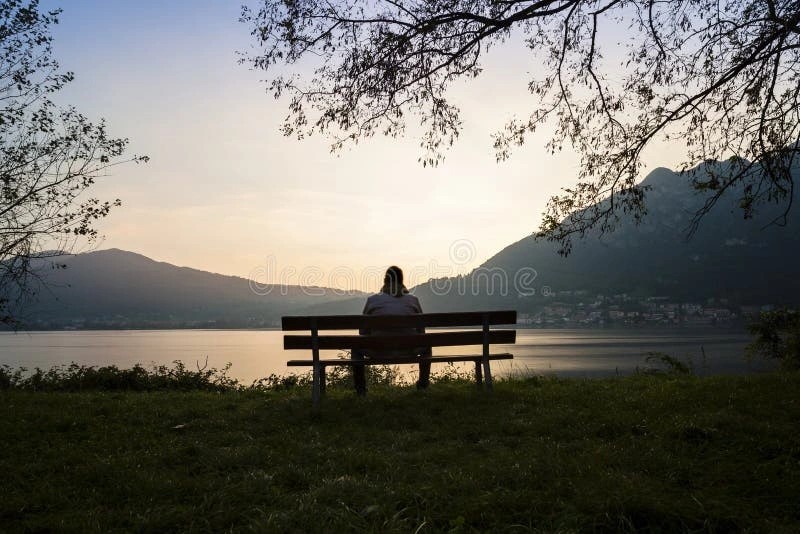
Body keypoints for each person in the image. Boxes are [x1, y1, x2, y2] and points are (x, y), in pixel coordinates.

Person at [353, 265, 431, 395]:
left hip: (378, 351)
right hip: (408, 351)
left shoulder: (373, 300)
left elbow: (362, 332)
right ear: (402, 281)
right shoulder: (413, 300)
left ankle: (361, 390)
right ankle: (423, 385)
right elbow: (421, 333)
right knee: (427, 346)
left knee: (355, 347)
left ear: (385, 281)